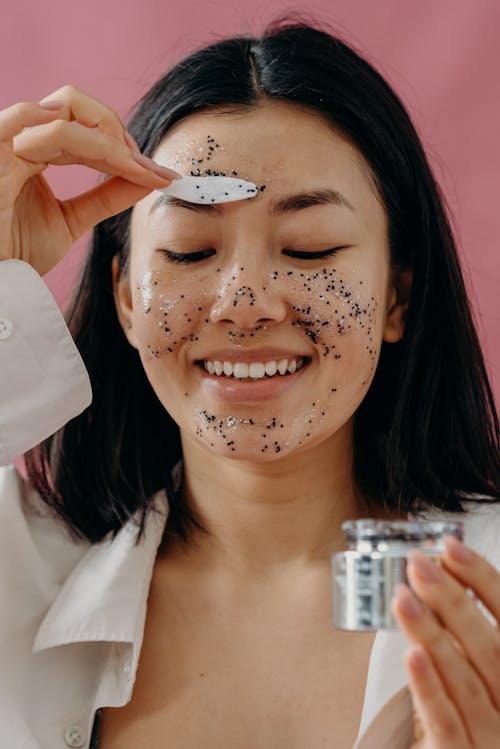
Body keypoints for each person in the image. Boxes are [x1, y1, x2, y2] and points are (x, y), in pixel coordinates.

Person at [0, 18, 499, 749]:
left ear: (397, 294)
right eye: (190, 249)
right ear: (126, 299)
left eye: (310, 247)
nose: (244, 302)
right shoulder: (19, 575)